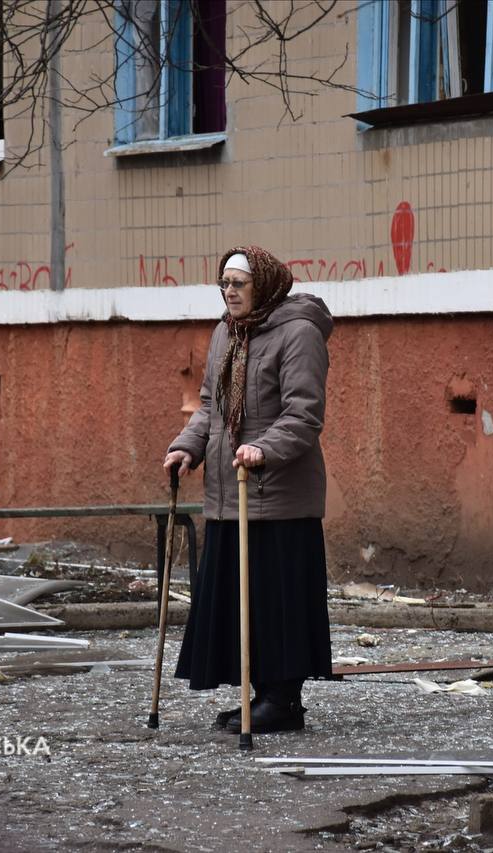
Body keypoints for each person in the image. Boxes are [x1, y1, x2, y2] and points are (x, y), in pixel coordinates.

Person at [163, 246, 334, 733]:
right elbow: (208, 407)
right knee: (239, 601)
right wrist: (187, 448)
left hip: (279, 500)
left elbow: (303, 415)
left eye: (238, 283)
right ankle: (257, 695)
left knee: (276, 601)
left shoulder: (299, 334)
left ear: (263, 283)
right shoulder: (225, 333)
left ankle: (282, 700)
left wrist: (265, 449)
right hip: (228, 493)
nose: (229, 291)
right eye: (224, 283)